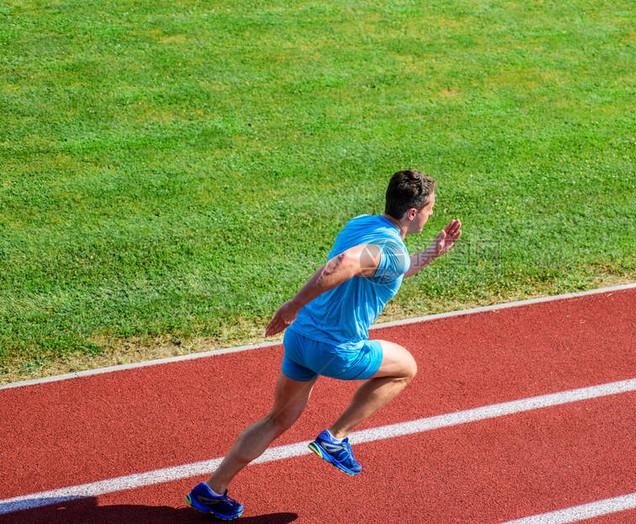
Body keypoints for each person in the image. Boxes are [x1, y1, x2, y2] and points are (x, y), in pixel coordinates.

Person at [185, 169, 462, 520]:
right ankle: (336, 437)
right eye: (429, 208)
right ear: (412, 212)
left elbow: (387, 267)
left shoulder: (363, 223)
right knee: (405, 366)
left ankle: (212, 490)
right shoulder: (392, 249)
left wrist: (433, 253)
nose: (431, 214)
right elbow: (347, 262)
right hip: (334, 350)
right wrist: (292, 304)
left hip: (301, 339)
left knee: (277, 420)